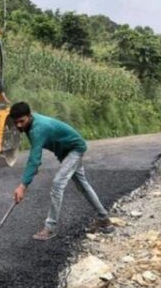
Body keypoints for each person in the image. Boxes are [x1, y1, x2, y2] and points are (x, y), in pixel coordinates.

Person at [10, 102, 114, 240]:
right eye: (16, 122)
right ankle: (104, 220)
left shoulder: (38, 128)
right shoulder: (30, 125)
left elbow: (33, 159)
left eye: (21, 121)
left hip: (74, 149)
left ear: (29, 116)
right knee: (83, 186)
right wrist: (34, 167)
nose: (19, 125)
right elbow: (36, 154)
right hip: (65, 153)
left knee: (57, 184)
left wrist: (23, 186)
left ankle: (50, 228)